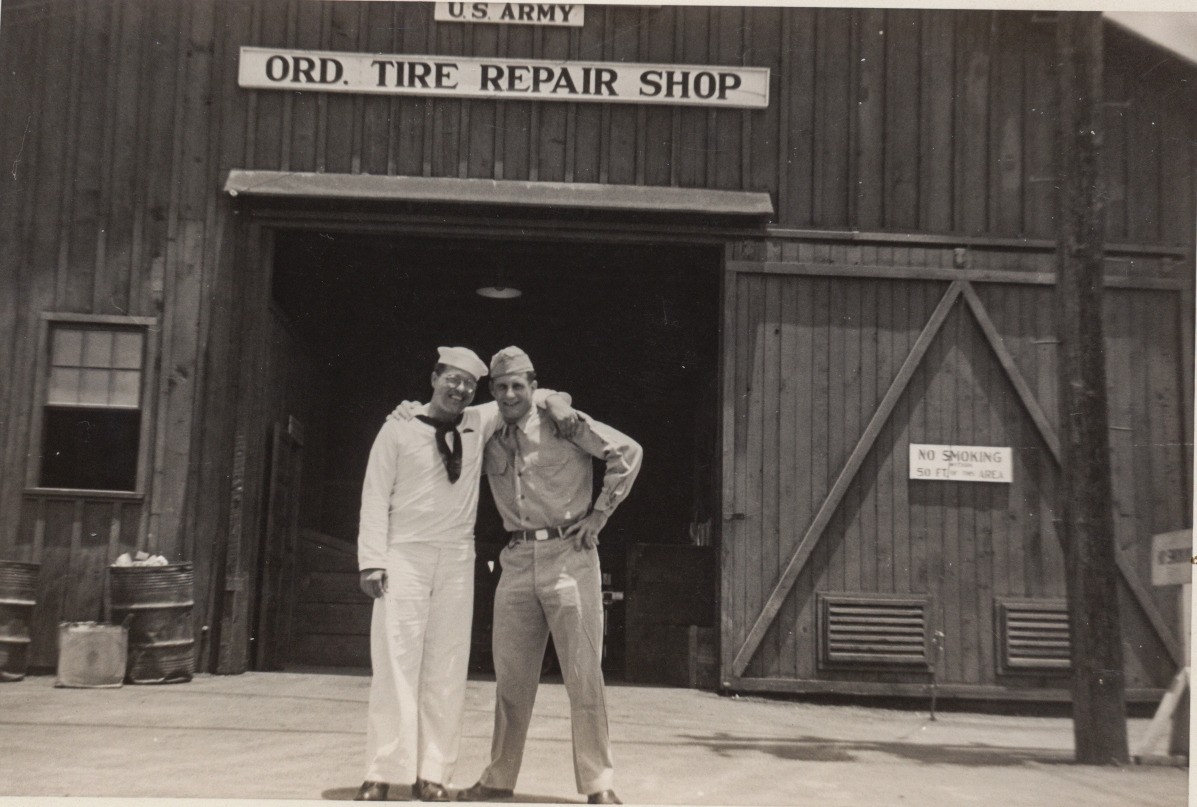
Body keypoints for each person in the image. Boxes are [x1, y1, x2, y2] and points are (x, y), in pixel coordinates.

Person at [355, 347, 575, 803]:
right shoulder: (398, 427)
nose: (458, 389)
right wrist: (372, 560)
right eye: (451, 379)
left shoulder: (480, 421)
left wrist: (559, 400)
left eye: (468, 384)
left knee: (447, 666)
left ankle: (433, 773)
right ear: (434, 378)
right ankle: (382, 771)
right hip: (404, 556)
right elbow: (375, 495)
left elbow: (525, 395)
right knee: (395, 661)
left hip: (456, 559)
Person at [457, 346, 642, 805]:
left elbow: (626, 452)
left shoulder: (563, 420)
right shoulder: (490, 430)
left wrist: (599, 515)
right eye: (500, 387)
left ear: (533, 386)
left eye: (519, 385)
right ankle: (498, 779)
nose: (509, 394)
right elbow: (447, 414)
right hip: (517, 560)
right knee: (511, 680)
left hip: (569, 555)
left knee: (583, 675)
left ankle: (599, 783)